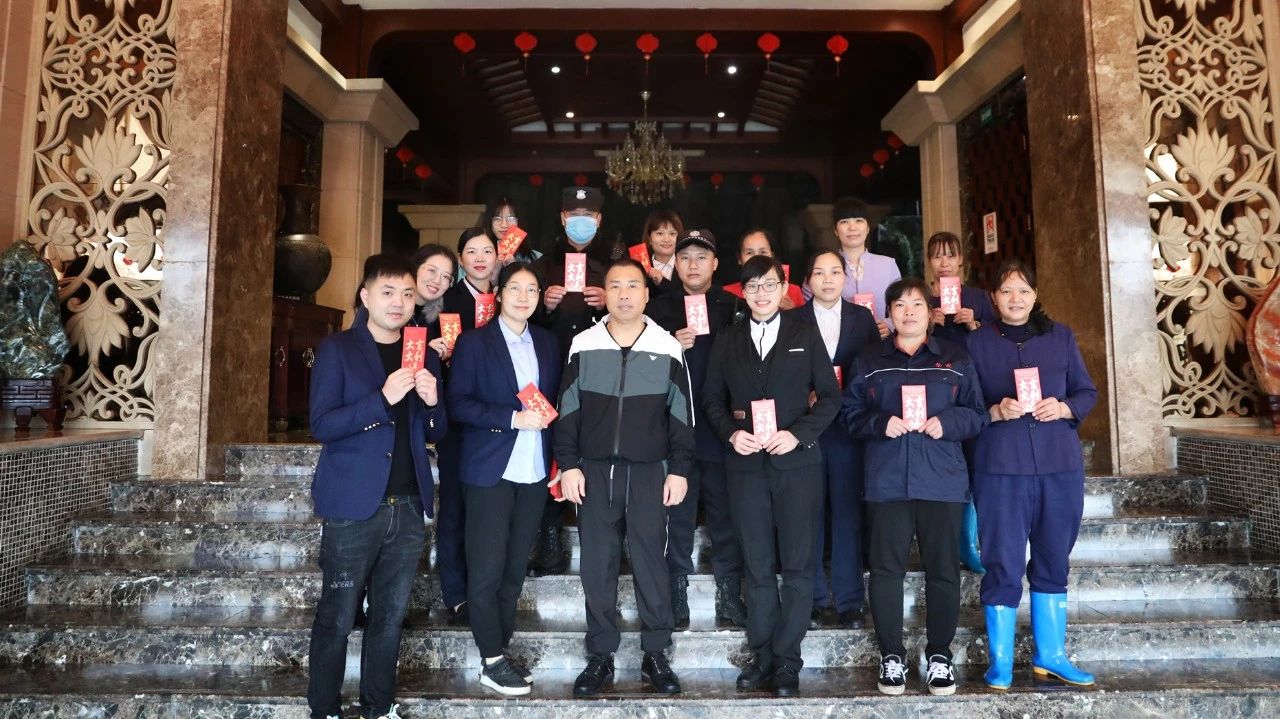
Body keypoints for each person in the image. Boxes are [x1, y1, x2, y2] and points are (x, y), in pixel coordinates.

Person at [307, 254, 447, 719]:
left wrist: (432, 402)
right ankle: (324, 709)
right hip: (353, 505)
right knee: (337, 615)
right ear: (366, 297)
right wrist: (381, 399)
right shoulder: (338, 349)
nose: (398, 302)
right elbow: (323, 425)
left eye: (407, 294)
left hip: (407, 506)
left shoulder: (423, 354)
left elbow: (437, 430)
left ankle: (378, 707)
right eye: (388, 293)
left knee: (388, 618)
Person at [840, 277, 987, 697]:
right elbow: (848, 413)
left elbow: (977, 414)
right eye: (900, 305)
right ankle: (892, 655)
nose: (908, 312)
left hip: (942, 480)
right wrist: (879, 422)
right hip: (887, 480)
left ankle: (939, 655)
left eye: (917, 304)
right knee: (886, 570)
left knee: (943, 570)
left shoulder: (955, 359)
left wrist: (948, 422)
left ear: (930, 312)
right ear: (888, 313)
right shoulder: (870, 360)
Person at [702, 255, 841, 697]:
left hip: (797, 466)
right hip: (745, 468)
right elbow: (711, 400)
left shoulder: (804, 332)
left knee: (798, 566)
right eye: (752, 286)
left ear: (784, 289)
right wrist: (731, 434)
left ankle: (787, 659)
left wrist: (797, 435)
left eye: (769, 285)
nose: (761, 293)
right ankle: (762, 655)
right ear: (742, 292)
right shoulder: (728, 339)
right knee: (757, 565)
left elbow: (831, 397)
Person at [554, 257, 693, 697]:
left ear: (646, 294)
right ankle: (600, 655)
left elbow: (682, 416)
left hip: (651, 472)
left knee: (652, 562)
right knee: (597, 564)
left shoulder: (667, 347)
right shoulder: (583, 344)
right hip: (595, 471)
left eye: (633, 285)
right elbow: (568, 410)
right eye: (615, 285)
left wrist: (680, 470)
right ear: (605, 293)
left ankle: (656, 654)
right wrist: (569, 465)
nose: (624, 294)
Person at [966, 259, 1098, 691]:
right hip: (1001, 468)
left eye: (1023, 290)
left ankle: (1051, 655)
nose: (1015, 298)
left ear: (1035, 295)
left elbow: (1086, 391)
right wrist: (994, 410)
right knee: (1002, 560)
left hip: (1059, 465)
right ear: (993, 298)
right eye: (1006, 290)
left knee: (1054, 556)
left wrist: (1064, 407)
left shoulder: (1060, 337)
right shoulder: (977, 344)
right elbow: (964, 405)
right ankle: (1000, 662)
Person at [447, 262, 561, 696]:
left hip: (533, 471)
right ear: (499, 293)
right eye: (515, 288)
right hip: (490, 470)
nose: (523, 297)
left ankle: (501, 651)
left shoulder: (547, 343)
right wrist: (512, 418)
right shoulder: (475, 343)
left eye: (532, 290)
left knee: (514, 568)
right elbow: (459, 403)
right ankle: (490, 659)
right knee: (487, 568)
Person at [646, 229, 748, 629]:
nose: (693, 265)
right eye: (685, 257)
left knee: (727, 516)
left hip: (723, 431)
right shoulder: (657, 309)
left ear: (715, 264)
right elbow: (639, 365)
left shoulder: (735, 306)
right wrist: (670, 346)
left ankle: (729, 596)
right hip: (674, 431)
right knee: (677, 517)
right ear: (676, 263)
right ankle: (676, 595)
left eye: (701, 257)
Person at [531, 186, 621, 576]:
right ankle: (549, 541)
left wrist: (610, 303)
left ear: (599, 220)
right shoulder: (542, 264)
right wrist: (544, 307)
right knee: (553, 448)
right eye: (573, 215)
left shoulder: (615, 263)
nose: (580, 221)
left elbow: (637, 310)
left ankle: (606, 542)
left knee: (601, 447)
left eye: (588, 215)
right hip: (553, 369)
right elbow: (523, 318)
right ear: (563, 218)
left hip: (601, 369)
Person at [789, 250, 879, 629]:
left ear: (845, 277)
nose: (827, 279)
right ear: (807, 281)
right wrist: (803, 396)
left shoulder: (862, 318)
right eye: (819, 273)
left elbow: (873, 370)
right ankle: (811, 598)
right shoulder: (793, 320)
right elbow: (782, 372)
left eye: (834, 272)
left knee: (847, 512)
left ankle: (849, 600)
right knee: (807, 514)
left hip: (847, 429)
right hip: (806, 428)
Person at [435, 227, 501, 626]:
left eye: (486, 251)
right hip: (457, 417)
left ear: (498, 257)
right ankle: (456, 592)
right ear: (461, 260)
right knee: (455, 505)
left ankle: (485, 588)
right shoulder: (444, 299)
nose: (479, 258)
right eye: (471, 252)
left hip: (499, 417)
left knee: (489, 508)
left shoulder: (509, 296)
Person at [924, 231, 999, 575]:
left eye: (950, 255)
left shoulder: (979, 298)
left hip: (974, 392)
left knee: (977, 466)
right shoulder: (923, 299)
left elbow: (999, 341)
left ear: (961, 261)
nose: (944, 262)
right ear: (929, 261)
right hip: (936, 396)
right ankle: (949, 543)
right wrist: (929, 325)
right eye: (937, 256)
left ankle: (974, 543)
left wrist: (976, 324)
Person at [826, 196, 898, 336]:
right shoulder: (823, 266)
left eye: (859, 220)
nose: (852, 227)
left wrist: (889, 325)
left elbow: (901, 303)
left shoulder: (888, 265)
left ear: (868, 227)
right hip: (838, 341)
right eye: (844, 221)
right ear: (835, 230)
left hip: (880, 342)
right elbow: (810, 307)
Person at [721, 228, 805, 310]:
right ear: (739, 258)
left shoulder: (794, 291)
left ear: (772, 256)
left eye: (763, 252)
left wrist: (792, 311)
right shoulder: (726, 293)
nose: (757, 258)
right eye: (749, 253)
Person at [408, 243, 458, 361]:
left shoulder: (444, 317)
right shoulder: (394, 309)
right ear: (415, 268)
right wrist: (425, 350)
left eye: (445, 276)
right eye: (432, 270)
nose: (437, 281)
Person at [639, 208, 683, 295]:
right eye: (660, 233)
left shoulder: (687, 265)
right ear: (649, 238)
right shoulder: (639, 266)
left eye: (672, 234)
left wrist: (662, 281)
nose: (666, 239)